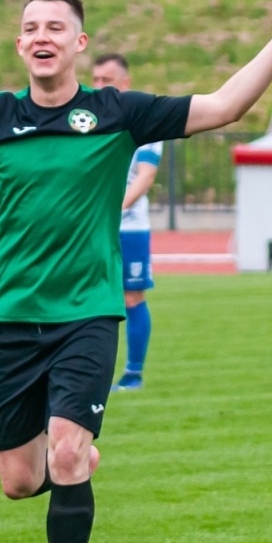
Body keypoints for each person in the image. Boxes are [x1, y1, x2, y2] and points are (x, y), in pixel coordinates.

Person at [0, 0, 272, 543]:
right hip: (9, 320)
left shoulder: (116, 112)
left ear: (79, 44)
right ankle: (74, 463)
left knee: (66, 452)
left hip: (88, 315)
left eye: (55, 28)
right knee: (19, 481)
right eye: (31, 28)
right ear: (19, 44)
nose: (41, 37)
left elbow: (225, 106)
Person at [90, 53, 161, 392]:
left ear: (125, 83)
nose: (99, 86)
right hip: (90, 228)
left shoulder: (142, 121)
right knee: (91, 300)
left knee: (132, 298)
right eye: (95, 80)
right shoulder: (85, 122)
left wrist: (113, 208)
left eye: (107, 80)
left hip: (130, 229)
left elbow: (145, 176)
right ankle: (89, 374)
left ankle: (133, 373)